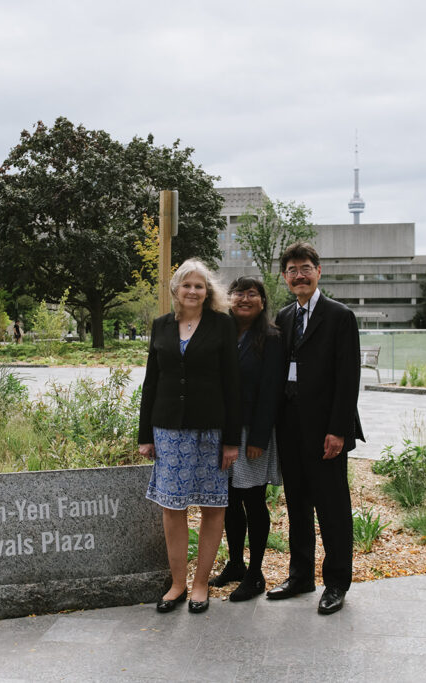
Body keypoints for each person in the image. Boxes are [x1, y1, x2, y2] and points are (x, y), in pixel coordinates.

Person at [267, 241, 364, 616]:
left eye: (305, 267)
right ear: (285, 277)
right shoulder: (284, 316)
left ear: (318, 271)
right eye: (291, 270)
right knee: (297, 506)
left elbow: (347, 378)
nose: (299, 275)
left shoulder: (340, 317)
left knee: (333, 508)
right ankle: (300, 575)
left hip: (326, 432)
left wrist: (338, 430)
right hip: (290, 428)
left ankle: (337, 582)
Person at [138, 259, 241, 614]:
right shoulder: (161, 327)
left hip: (211, 431)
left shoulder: (222, 326)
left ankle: (201, 585)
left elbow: (232, 383)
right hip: (168, 431)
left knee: (213, 505)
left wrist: (231, 440)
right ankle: (178, 583)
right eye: (187, 285)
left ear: (207, 291)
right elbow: (151, 382)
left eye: (200, 286)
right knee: (173, 506)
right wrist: (144, 435)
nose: (193, 291)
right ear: (176, 290)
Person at [208, 276, 284, 601]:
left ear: (262, 302)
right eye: (238, 292)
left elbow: (271, 391)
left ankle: (256, 574)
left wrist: (259, 437)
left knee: (252, 500)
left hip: (253, 431)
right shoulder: (221, 333)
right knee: (228, 501)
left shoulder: (271, 338)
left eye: (252, 293)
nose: (244, 298)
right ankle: (236, 564)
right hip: (223, 431)